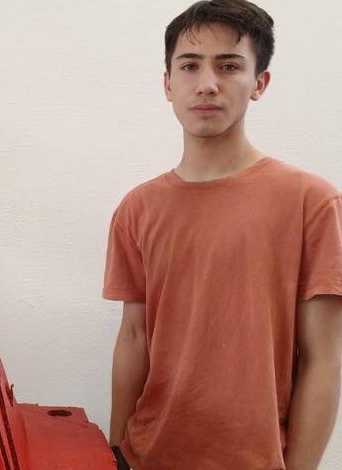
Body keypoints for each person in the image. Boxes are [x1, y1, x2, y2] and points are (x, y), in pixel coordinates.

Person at [103, 1, 342, 469]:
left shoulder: (312, 203)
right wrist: (112, 454)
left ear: (260, 82)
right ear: (168, 84)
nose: (207, 84)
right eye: (190, 66)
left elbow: (324, 358)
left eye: (229, 66)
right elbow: (133, 337)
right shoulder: (137, 209)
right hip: (146, 456)